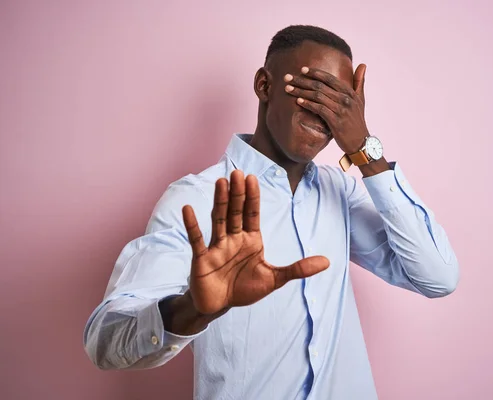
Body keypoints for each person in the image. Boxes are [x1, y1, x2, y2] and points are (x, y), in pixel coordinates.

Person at [84, 24, 459, 400]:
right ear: (265, 86)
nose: (326, 112)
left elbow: (436, 276)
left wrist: (363, 147)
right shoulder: (197, 199)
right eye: (314, 91)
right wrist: (193, 309)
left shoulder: (340, 191)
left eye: (341, 102)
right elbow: (104, 341)